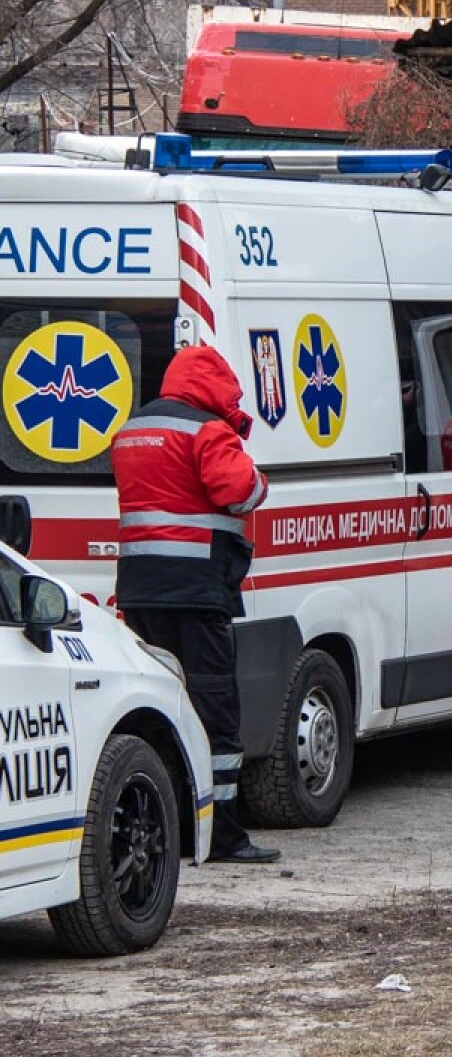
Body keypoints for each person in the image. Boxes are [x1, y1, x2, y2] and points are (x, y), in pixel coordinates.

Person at [110, 345, 279, 864]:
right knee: (214, 711)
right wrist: (260, 479)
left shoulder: (132, 429)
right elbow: (240, 490)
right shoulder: (208, 431)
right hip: (199, 592)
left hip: (140, 589)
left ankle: (167, 829)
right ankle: (223, 835)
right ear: (215, 384)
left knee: (159, 705)